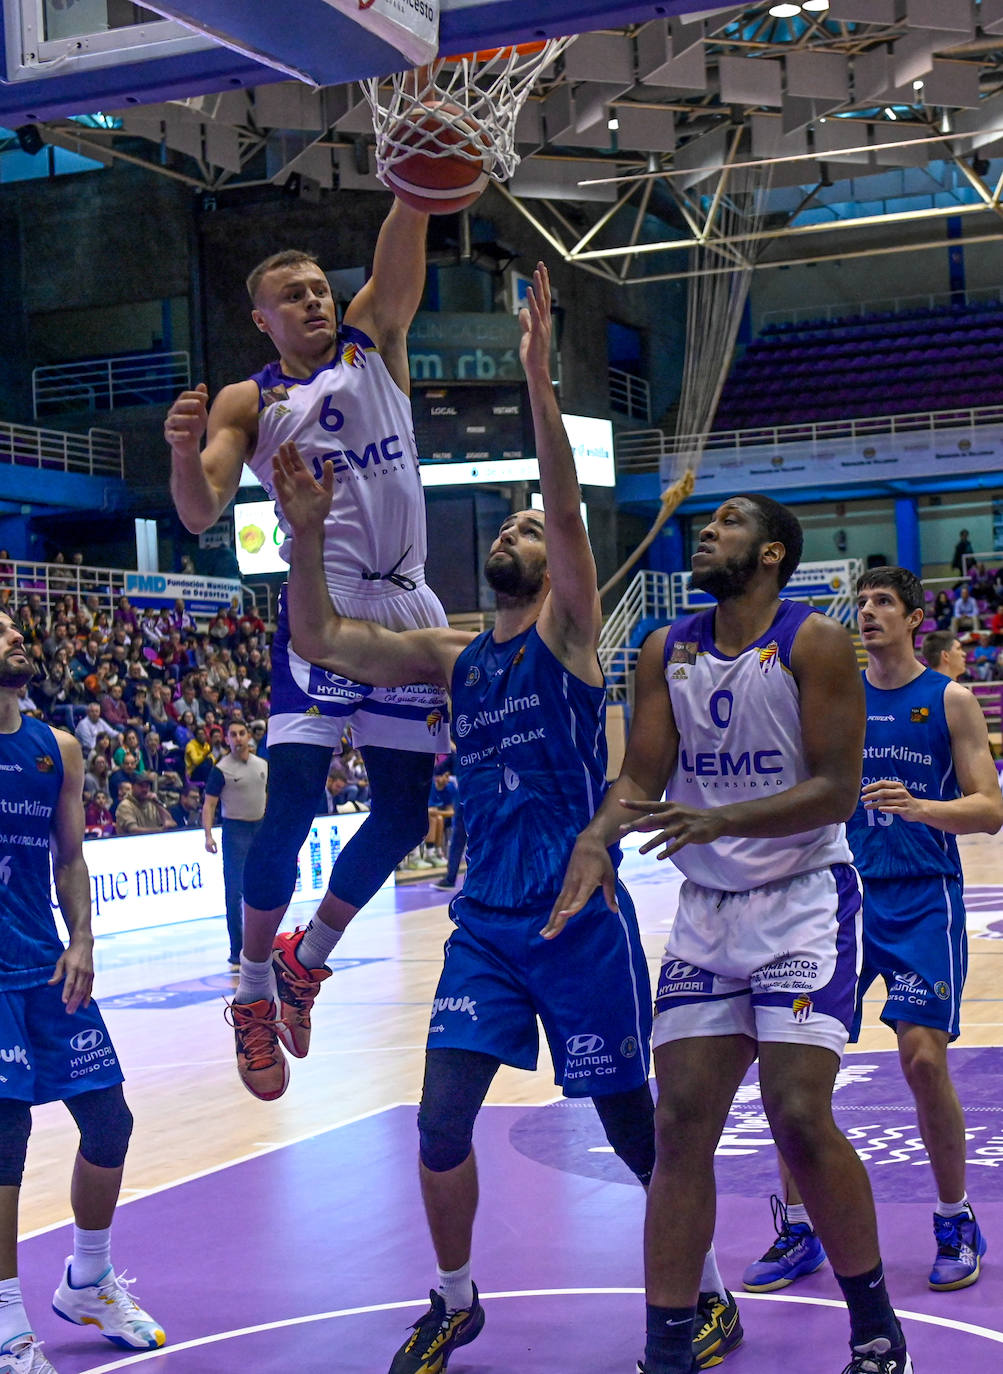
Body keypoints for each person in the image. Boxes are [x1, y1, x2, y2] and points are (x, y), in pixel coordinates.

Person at [269, 265, 740, 1374]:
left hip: (577, 924)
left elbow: (568, 504)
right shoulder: (453, 658)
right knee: (437, 1126)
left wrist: (538, 377)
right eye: (517, 522)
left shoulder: (568, 636)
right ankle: (453, 1298)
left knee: (637, 1137)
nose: (525, 527)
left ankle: (705, 1292)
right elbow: (327, 640)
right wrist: (301, 534)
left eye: (532, 525)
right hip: (484, 923)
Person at [552, 495, 912, 1374]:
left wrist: (723, 822)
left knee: (794, 1112)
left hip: (800, 899)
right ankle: (666, 1350)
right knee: (677, 1127)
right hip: (707, 915)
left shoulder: (813, 643)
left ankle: (874, 1328)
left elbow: (834, 789)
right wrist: (595, 839)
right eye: (706, 522)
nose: (708, 531)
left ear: (772, 556)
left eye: (731, 523)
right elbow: (640, 772)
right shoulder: (663, 648)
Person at [166, 198, 451, 1100]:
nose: (316, 302)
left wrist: (411, 185)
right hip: (322, 609)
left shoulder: (374, 342)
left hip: (405, 605)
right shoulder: (250, 399)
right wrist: (180, 451)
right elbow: (201, 509)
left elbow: (400, 255)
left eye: (322, 289)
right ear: (262, 318)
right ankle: (251, 990)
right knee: (288, 810)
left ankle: (305, 958)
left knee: (404, 816)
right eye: (294, 296)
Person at [745, 568, 1003, 1299]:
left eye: (883, 602)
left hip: (923, 898)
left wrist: (922, 807)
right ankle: (799, 1227)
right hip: (837, 897)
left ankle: (955, 1219)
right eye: (860, 604)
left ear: (915, 617)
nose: (867, 614)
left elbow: (989, 808)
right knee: (794, 1067)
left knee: (922, 1062)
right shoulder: (837, 700)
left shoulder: (947, 700)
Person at [0, 611, 165, 1373]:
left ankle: (89, 1280)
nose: (13, 635)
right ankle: (5, 1326)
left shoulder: (55, 748)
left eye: (13, 625)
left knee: (110, 1122)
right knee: (5, 1145)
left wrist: (84, 938)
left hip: (47, 967)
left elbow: (69, 857)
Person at [202, 722, 269, 975]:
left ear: (249, 737)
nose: (238, 738)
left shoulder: (262, 765)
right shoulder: (221, 770)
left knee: (263, 888)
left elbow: (268, 797)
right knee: (234, 892)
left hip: (260, 828)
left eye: (242, 733)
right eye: (233, 735)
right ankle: (236, 949)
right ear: (227, 740)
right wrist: (208, 835)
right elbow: (209, 805)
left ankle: (261, 946)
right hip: (235, 832)